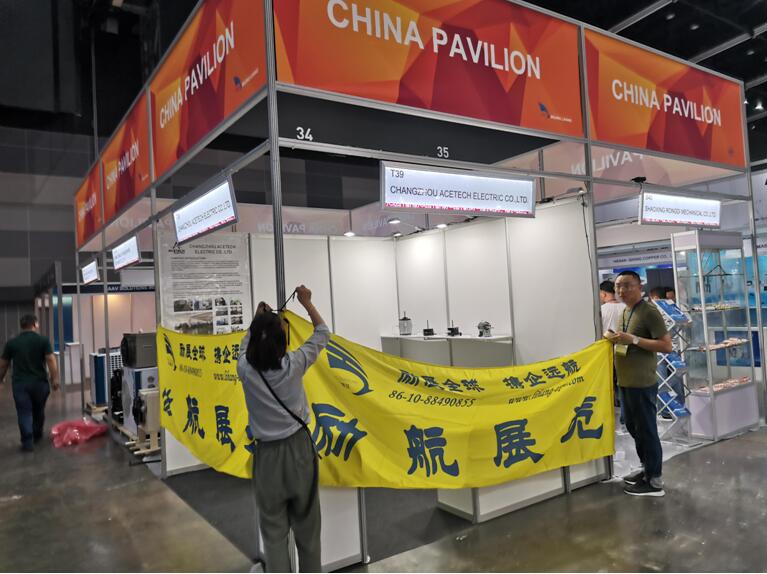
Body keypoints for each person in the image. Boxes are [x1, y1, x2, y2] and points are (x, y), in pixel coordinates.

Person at [237, 285, 329, 572]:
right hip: (299, 452)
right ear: (283, 341)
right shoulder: (294, 364)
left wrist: (257, 322)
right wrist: (307, 303)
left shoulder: (246, 371)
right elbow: (323, 333)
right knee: (308, 530)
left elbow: (243, 348)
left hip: (266, 458)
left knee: (274, 535)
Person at [606, 271, 672, 497]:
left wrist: (633, 339)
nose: (621, 290)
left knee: (647, 430)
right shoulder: (626, 311)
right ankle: (647, 469)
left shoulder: (649, 311)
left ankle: (655, 481)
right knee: (633, 427)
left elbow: (666, 346)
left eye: (627, 285)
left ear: (639, 286)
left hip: (642, 382)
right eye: (618, 286)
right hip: (626, 382)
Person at [0, 314, 60, 452]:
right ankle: (37, 435)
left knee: (24, 412)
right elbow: (51, 360)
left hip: (20, 384)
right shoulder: (42, 340)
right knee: (39, 410)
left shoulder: (12, 343)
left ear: (21, 326)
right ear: (35, 324)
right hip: (40, 383)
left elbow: (3, 364)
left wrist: (0, 379)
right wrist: (55, 378)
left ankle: (27, 442)